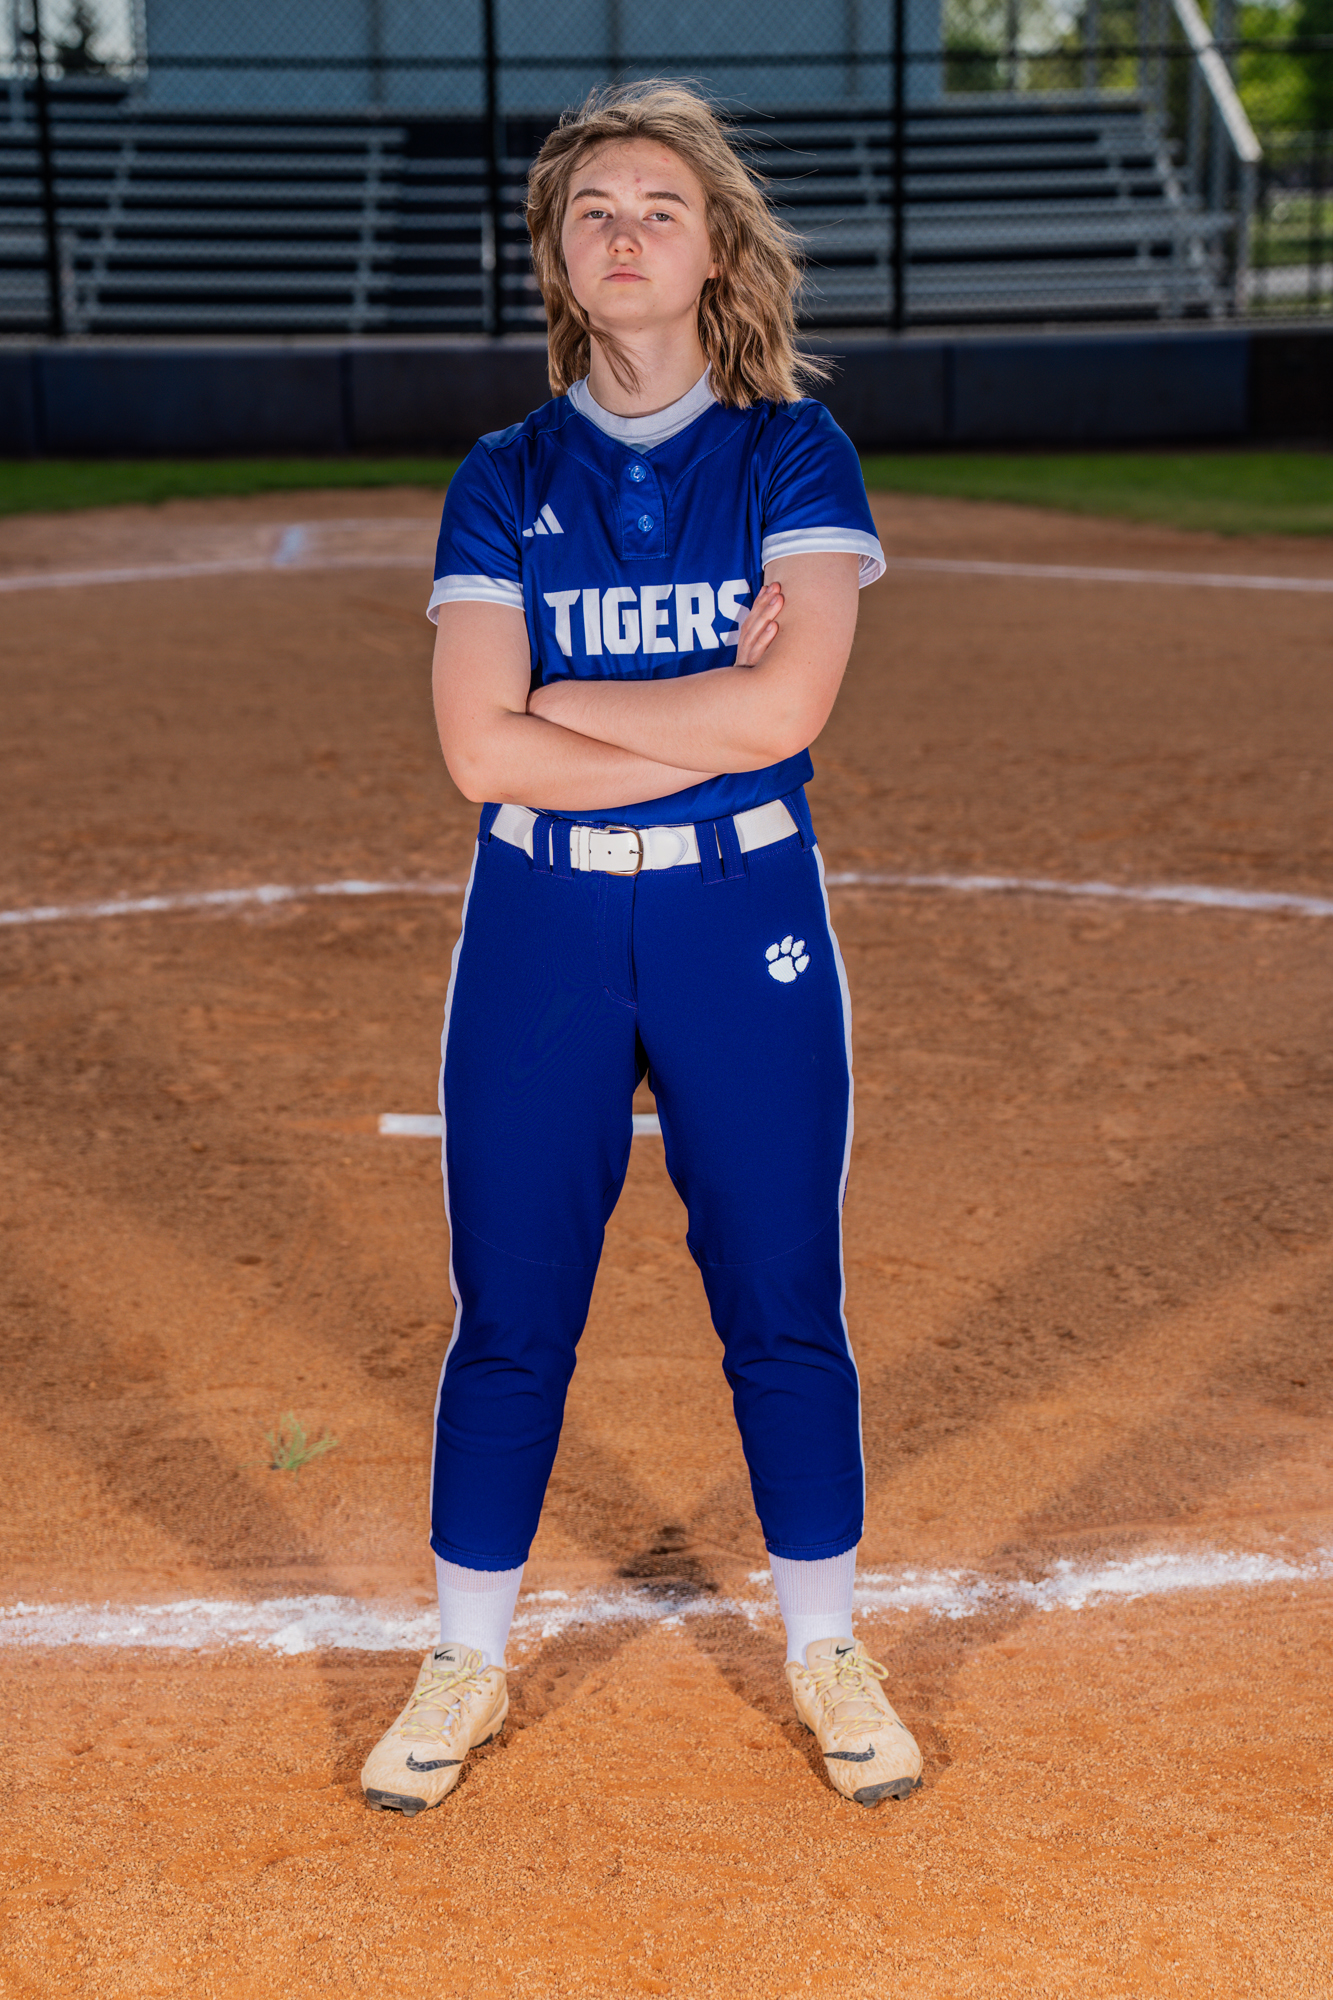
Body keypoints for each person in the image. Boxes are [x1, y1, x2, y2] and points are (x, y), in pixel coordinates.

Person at [360, 80, 922, 1817]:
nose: (623, 233)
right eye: (590, 209)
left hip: (737, 912)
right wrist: (703, 714)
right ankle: (465, 1658)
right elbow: (478, 754)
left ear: (714, 253)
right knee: (510, 1309)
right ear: (556, 256)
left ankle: (826, 1645)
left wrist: (565, 697)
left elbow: (790, 708)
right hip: (539, 921)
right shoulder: (502, 475)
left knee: (779, 1297)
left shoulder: (791, 455)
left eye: (658, 208)